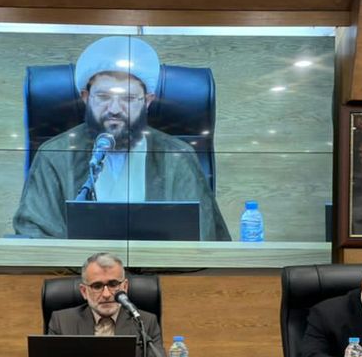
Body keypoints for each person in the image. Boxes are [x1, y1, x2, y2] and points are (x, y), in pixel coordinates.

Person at [12, 36, 230, 241]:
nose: (114, 109)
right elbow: (34, 233)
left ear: (147, 101)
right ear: (86, 98)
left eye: (128, 98)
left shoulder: (177, 156)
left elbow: (202, 237)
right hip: (81, 270)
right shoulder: (55, 155)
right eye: (103, 97)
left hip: (159, 268)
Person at [48, 252, 166, 357]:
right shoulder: (62, 322)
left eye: (113, 284)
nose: (106, 294)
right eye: (97, 286)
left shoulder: (145, 322)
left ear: (125, 287)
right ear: (84, 291)